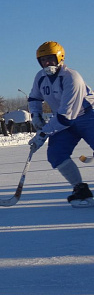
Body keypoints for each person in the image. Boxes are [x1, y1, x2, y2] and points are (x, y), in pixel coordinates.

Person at [28, 41, 94, 207]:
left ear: (60, 58)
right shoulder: (40, 77)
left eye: (50, 58)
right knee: (56, 155)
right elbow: (34, 98)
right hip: (64, 120)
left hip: (87, 116)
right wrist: (36, 116)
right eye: (43, 60)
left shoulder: (72, 77)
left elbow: (66, 116)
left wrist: (43, 134)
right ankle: (80, 189)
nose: (46, 63)